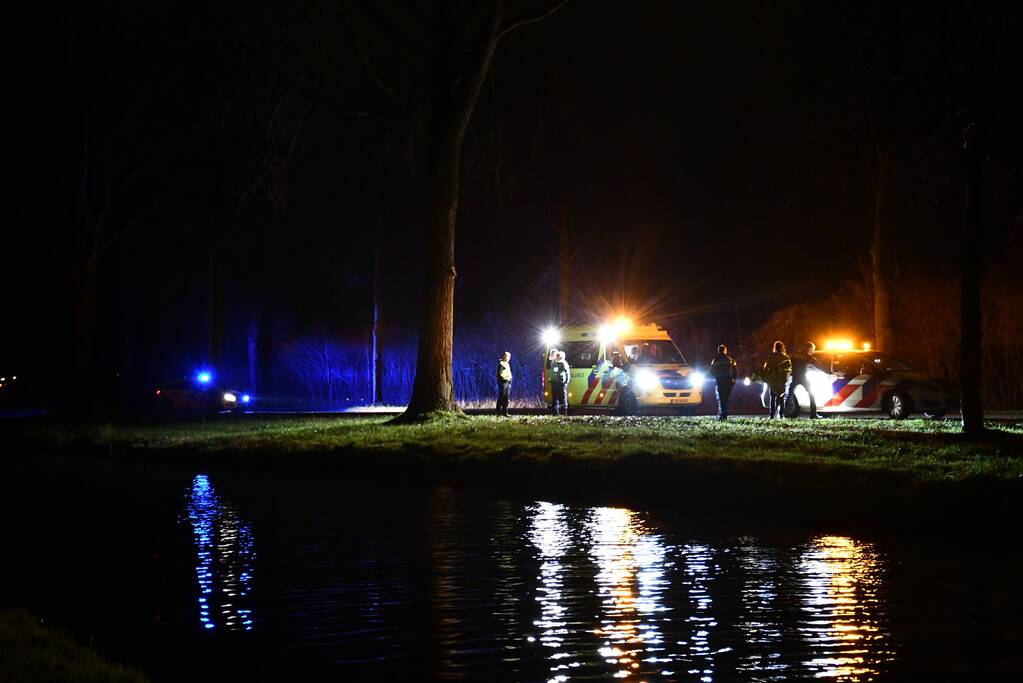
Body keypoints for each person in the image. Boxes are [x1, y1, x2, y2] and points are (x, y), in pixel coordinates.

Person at [788, 341, 824, 418]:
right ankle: (813, 414)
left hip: (794, 377)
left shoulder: (796, 355)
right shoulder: (807, 356)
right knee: (811, 395)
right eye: (812, 350)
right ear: (810, 349)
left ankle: (782, 413)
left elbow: (789, 363)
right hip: (803, 378)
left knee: (789, 396)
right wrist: (828, 372)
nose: (812, 351)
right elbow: (817, 365)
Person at [761, 340, 792, 418]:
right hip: (782, 380)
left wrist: (766, 376)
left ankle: (771, 415)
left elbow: (766, 367)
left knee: (772, 397)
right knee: (781, 398)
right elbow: (789, 368)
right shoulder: (785, 357)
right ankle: (781, 415)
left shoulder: (771, 357)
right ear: (782, 348)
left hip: (773, 380)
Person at [709, 344, 738, 420]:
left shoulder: (715, 360)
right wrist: (734, 379)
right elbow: (735, 370)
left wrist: (716, 376)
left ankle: (722, 415)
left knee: (721, 398)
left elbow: (711, 371)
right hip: (728, 380)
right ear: (725, 351)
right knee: (726, 398)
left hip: (720, 380)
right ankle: (723, 414)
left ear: (718, 351)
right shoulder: (730, 359)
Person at [549, 350, 571, 415]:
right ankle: (556, 412)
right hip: (555, 382)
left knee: (561, 398)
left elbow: (567, 373)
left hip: (561, 383)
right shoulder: (553, 363)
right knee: (555, 398)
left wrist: (566, 382)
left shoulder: (563, 363)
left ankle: (563, 412)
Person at [495, 351, 512, 417]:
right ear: (504, 356)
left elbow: (509, 373)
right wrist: (502, 379)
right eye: (507, 356)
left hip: (508, 382)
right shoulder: (501, 363)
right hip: (502, 382)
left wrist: (510, 381)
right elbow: (498, 373)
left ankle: (505, 412)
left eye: (509, 357)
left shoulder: (507, 364)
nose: (508, 358)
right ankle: (498, 412)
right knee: (501, 397)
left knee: (506, 398)